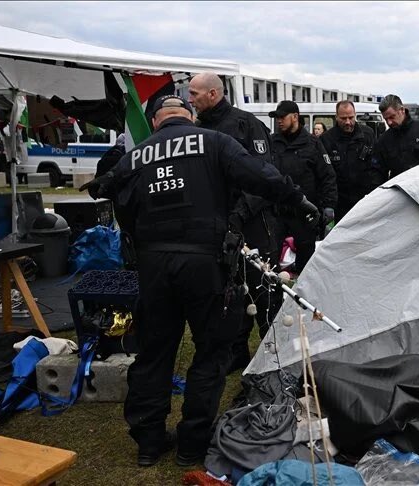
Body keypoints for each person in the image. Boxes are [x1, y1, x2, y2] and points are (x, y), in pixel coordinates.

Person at [79, 95, 319, 467]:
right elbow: (260, 176)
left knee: (154, 352)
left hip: (154, 265)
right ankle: (192, 444)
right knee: (210, 352)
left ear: (157, 122)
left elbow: (121, 207)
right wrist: (298, 200)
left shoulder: (137, 155)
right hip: (205, 263)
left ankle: (148, 440)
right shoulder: (214, 141)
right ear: (190, 117)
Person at [188, 72, 280, 373]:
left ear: (213, 94)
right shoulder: (197, 130)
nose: (190, 99)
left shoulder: (245, 124)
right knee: (231, 295)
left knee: (263, 291)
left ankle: (274, 355)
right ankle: (236, 354)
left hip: (253, 223)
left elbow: (266, 176)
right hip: (217, 226)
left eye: (194, 93)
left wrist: (239, 215)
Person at [269, 100, 337, 273]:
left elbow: (327, 176)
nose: (279, 121)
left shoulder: (312, 144)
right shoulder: (272, 142)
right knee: (271, 258)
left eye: (282, 117)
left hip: (304, 213)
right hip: (277, 212)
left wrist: (328, 205)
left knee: (306, 262)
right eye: (277, 118)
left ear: (295, 117)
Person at [320, 100, 383, 219]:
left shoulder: (367, 134)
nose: (348, 122)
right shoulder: (326, 140)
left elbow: (376, 167)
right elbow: (325, 174)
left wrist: (375, 195)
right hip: (340, 202)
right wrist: (328, 203)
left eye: (351, 117)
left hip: (365, 200)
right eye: (343, 118)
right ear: (336, 117)